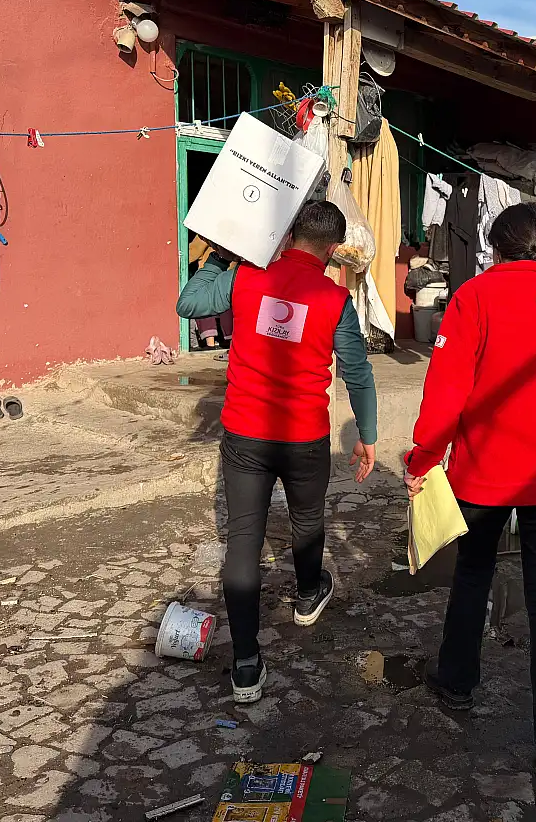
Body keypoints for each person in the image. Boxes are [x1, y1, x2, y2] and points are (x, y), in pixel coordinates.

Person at [403, 202, 536, 779]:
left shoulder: (474, 298)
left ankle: (457, 681)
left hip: (483, 475)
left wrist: (423, 457)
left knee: (474, 574)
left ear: (495, 247)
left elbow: (446, 390)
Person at [176, 201, 378, 704]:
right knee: (307, 520)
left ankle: (246, 665)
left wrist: (222, 256)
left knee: (243, 539)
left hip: (245, 435)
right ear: (333, 250)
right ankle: (309, 594)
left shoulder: (246, 275)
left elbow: (189, 303)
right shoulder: (334, 300)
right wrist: (367, 435)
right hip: (304, 437)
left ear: (287, 234)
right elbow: (357, 370)